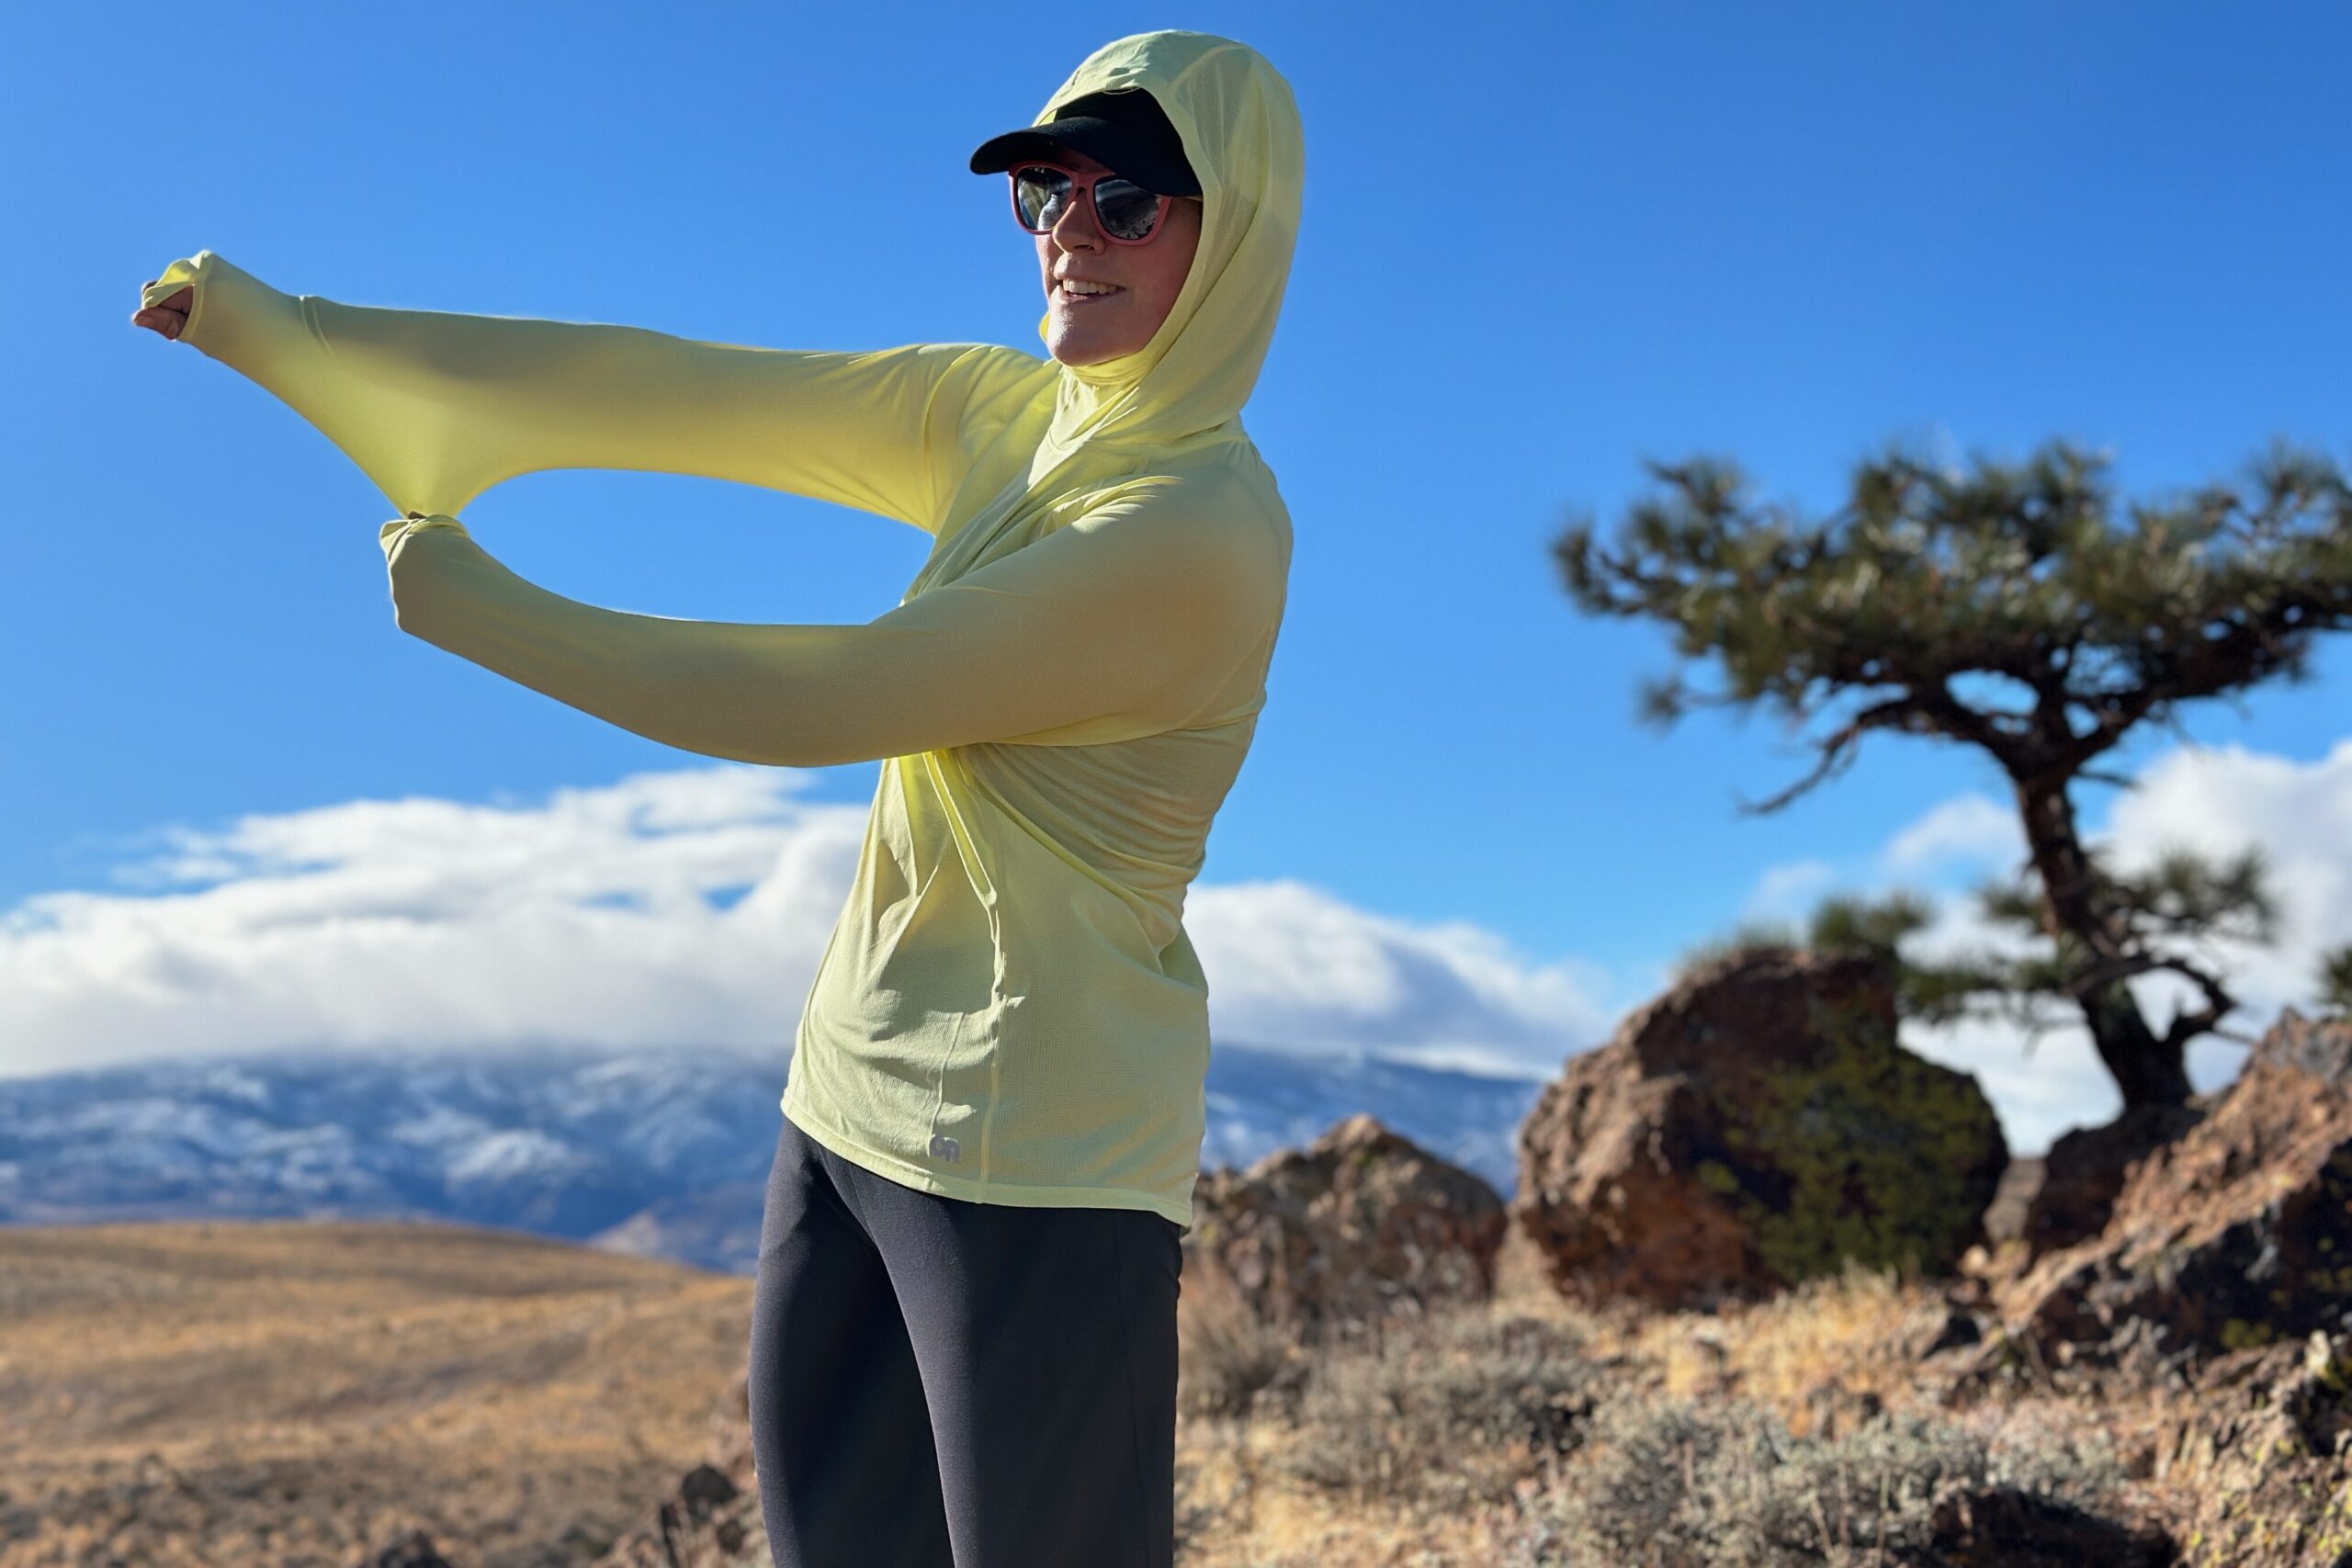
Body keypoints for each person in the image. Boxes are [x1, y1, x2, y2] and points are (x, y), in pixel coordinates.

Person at [131, 28, 1301, 1568]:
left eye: (1128, 204)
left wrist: (489, 611)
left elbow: (830, 695)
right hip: (844, 1102)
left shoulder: (1197, 528)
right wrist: (299, 336)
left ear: (1238, 232)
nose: (1072, 235)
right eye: (1045, 197)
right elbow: (673, 393)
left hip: (1042, 1163)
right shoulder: (1004, 418)